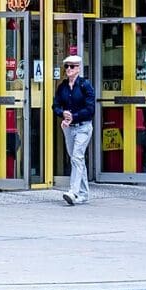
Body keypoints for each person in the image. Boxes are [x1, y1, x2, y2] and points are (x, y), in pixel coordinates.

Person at [52, 54, 95, 206]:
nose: (69, 69)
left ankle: (73, 191)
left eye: (72, 66)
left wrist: (73, 116)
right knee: (76, 159)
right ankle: (83, 194)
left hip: (83, 127)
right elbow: (55, 105)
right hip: (68, 129)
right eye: (67, 66)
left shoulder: (85, 85)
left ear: (78, 69)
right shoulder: (62, 87)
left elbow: (90, 109)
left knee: (77, 157)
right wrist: (62, 114)